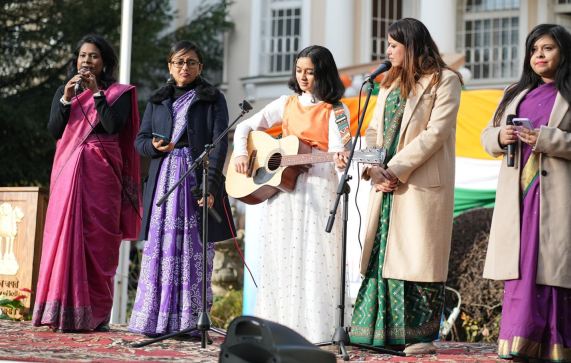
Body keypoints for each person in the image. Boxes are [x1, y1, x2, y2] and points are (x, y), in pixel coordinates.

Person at [481, 24, 571, 363]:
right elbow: (486, 134)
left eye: (547, 48)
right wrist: (500, 136)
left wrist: (546, 139)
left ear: (563, 52)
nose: (539, 55)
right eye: (534, 49)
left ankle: (557, 346)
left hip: (559, 199)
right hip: (519, 197)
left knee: (555, 272)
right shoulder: (514, 93)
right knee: (522, 270)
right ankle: (519, 342)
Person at [350, 18, 463, 355]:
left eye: (393, 45)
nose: (387, 51)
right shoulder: (387, 85)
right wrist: (372, 168)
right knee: (381, 256)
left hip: (419, 186)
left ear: (411, 46)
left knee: (416, 257)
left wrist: (395, 169)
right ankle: (373, 334)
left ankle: (418, 338)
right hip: (385, 185)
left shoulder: (446, 81)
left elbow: (435, 133)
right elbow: (371, 132)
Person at [233, 45, 350, 343]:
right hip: (283, 192)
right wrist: (240, 154)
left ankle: (316, 331)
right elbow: (245, 126)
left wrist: (342, 160)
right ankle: (278, 329)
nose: (303, 77)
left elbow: (340, 151)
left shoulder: (337, 109)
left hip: (318, 187)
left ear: (323, 72)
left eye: (310, 72)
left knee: (315, 257)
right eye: (299, 71)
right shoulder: (285, 103)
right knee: (281, 256)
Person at [33, 35, 141, 332]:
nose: (87, 61)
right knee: (65, 236)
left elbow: (113, 126)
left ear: (104, 62)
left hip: (102, 173)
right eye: (82, 56)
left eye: (93, 56)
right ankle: (59, 311)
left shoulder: (118, 93)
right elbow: (55, 130)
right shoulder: (64, 90)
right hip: (68, 172)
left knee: (99, 240)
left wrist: (96, 94)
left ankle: (97, 314)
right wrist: (66, 99)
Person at [128, 40, 236, 338]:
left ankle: (189, 321)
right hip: (164, 178)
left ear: (200, 67)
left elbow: (219, 143)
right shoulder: (157, 99)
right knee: (161, 248)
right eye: (179, 62)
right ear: (170, 66)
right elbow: (140, 141)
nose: (184, 68)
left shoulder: (212, 99)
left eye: (190, 62)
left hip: (196, 178)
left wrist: (210, 185)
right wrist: (153, 146)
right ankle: (154, 319)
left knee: (194, 248)